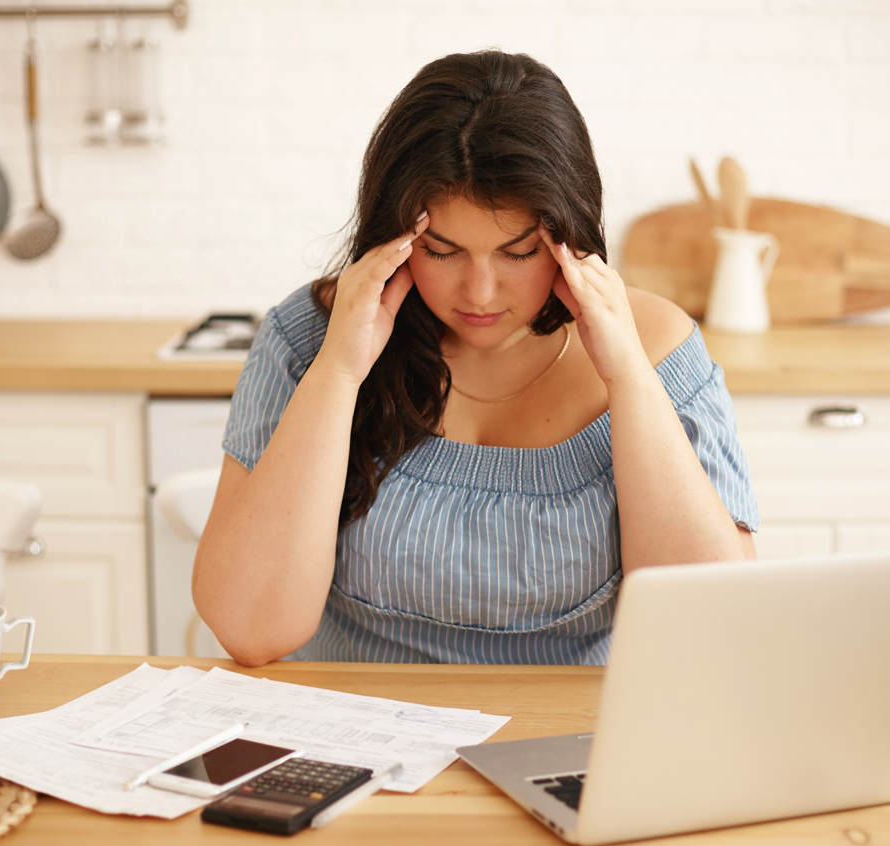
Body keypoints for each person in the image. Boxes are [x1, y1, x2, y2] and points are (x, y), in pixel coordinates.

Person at [193, 50, 759, 667]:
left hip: (570, 747)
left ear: (571, 235)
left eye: (517, 253)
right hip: (355, 737)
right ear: (392, 238)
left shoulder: (655, 345)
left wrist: (627, 375)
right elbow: (251, 629)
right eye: (441, 251)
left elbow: (713, 635)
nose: (480, 293)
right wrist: (338, 372)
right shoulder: (309, 338)